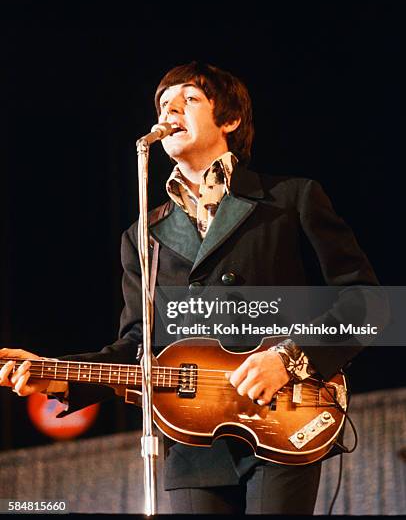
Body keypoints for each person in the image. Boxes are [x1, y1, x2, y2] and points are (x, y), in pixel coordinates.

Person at [0, 61, 379, 514]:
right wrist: (59, 372)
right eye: (163, 102)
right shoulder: (143, 233)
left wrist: (290, 359)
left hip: (285, 415)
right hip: (192, 438)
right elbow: (139, 347)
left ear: (231, 120)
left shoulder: (290, 198)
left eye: (190, 98)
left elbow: (366, 301)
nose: (170, 108)